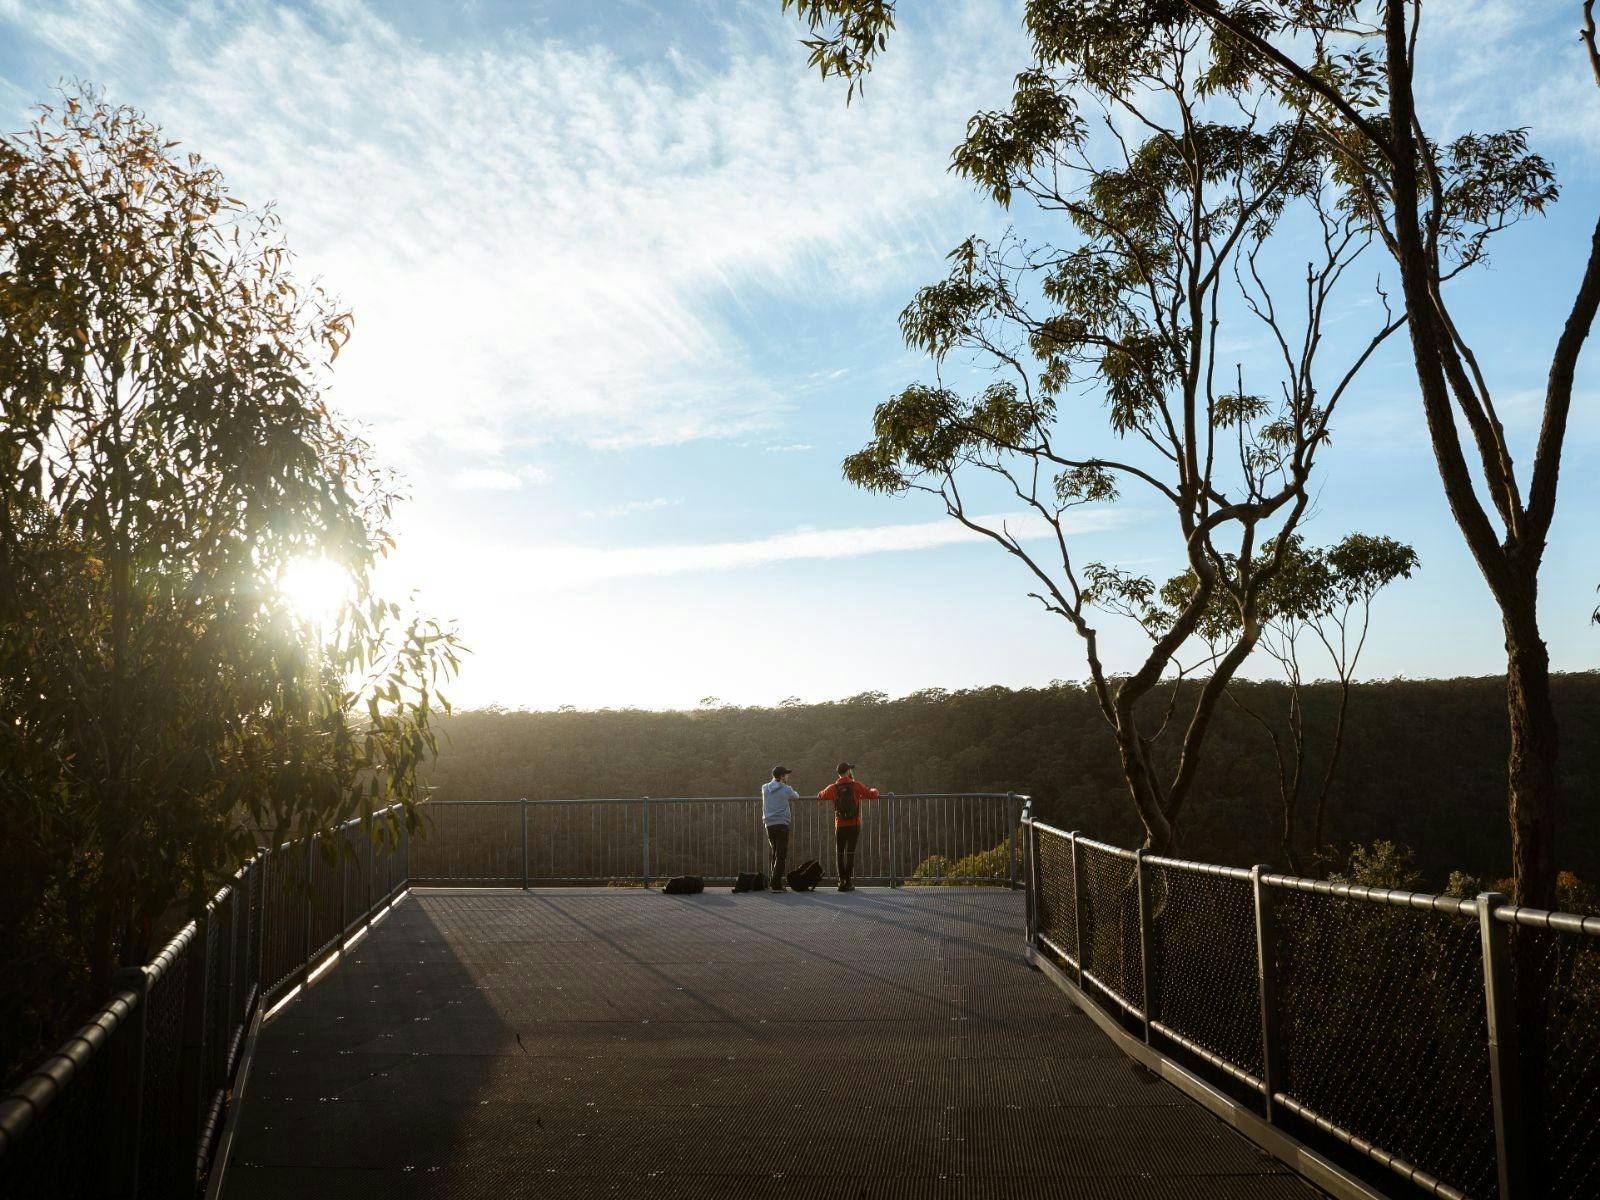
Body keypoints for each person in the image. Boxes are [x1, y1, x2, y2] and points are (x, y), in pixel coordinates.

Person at [820, 761, 877, 892]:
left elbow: (821, 795)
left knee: (839, 852)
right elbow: (871, 794)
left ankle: (841, 881)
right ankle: (848, 881)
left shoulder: (833, 788)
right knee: (850, 852)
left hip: (840, 824)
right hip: (854, 824)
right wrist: (875, 790)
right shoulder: (855, 785)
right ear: (847, 772)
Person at [761, 766, 799, 892]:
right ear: (782, 776)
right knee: (781, 855)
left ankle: (774, 880)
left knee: (775, 853)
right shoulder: (786, 789)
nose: (787, 776)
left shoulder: (765, 788)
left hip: (769, 824)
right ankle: (776, 883)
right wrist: (787, 786)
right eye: (786, 775)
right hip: (782, 824)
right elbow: (795, 796)